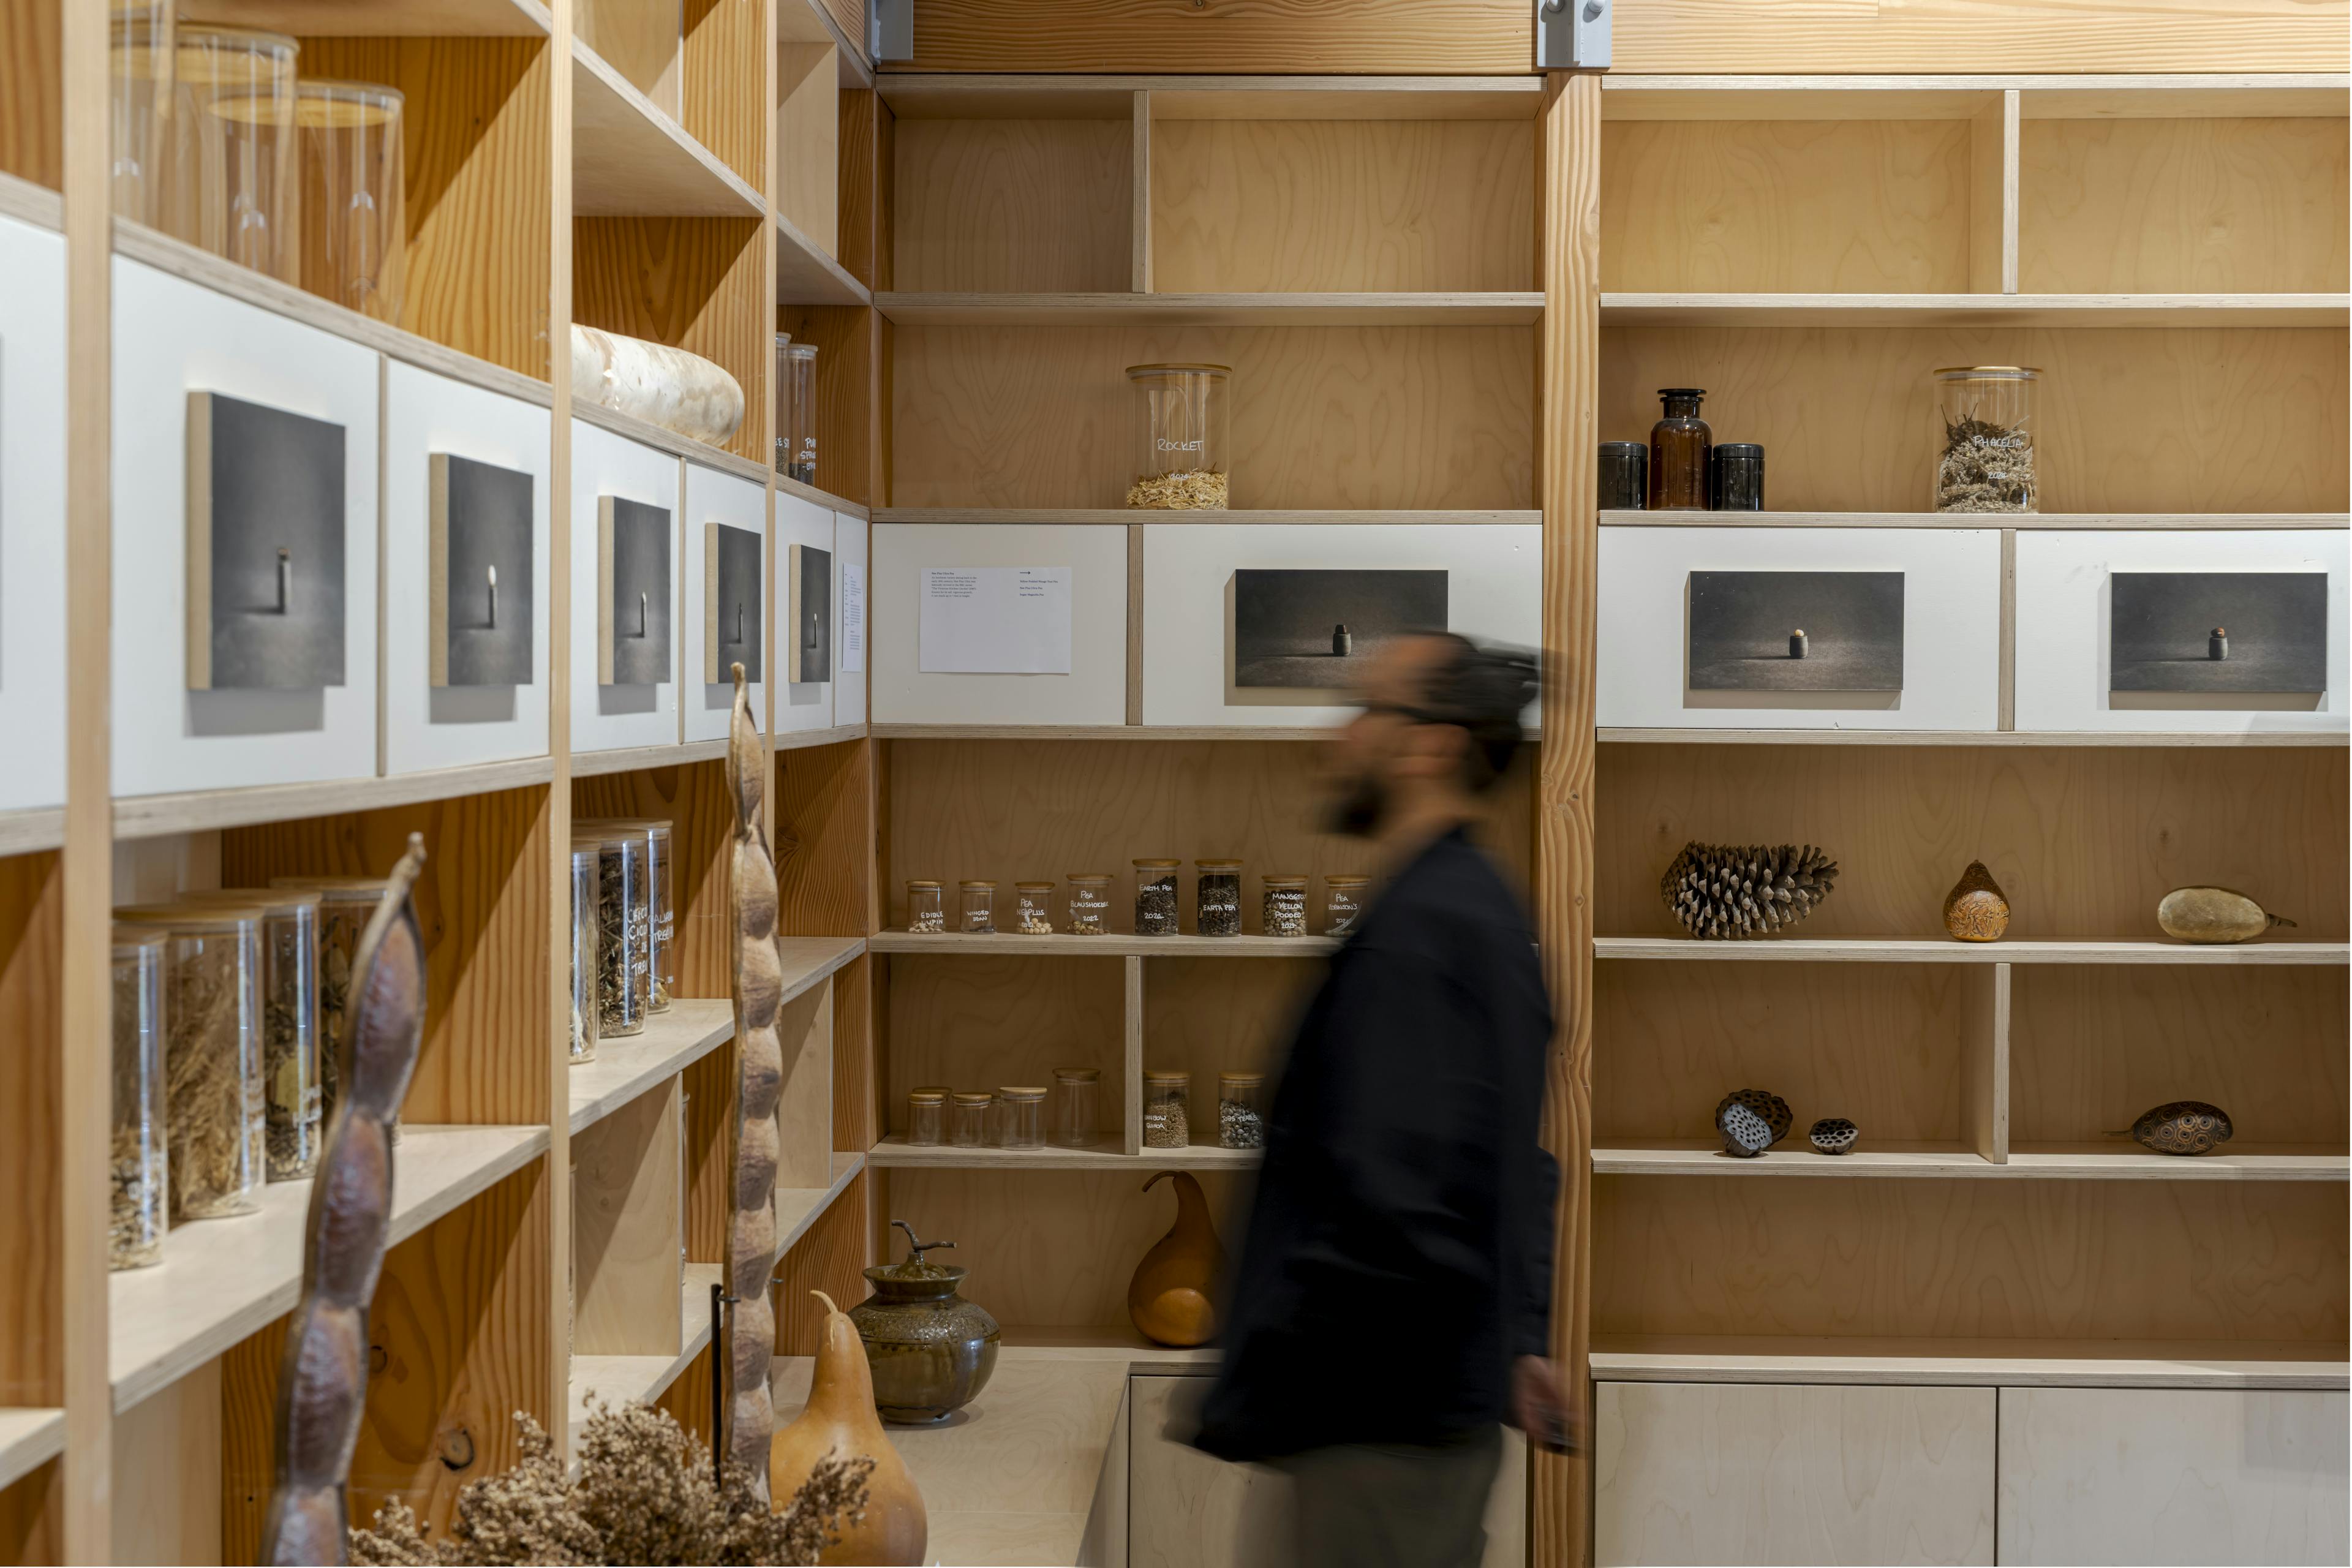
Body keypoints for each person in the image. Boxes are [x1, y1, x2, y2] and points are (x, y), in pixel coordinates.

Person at [1192, 631, 1569, 1568]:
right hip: (1413, 1410)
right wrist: (1518, 1334)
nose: (1339, 738)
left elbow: (1395, 1199)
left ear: (1429, 746)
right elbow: (1512, 1159)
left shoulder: (1422, 932)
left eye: (1367, 710)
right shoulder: (1475, 904)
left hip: (1376, 1428)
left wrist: (1269, 1370)